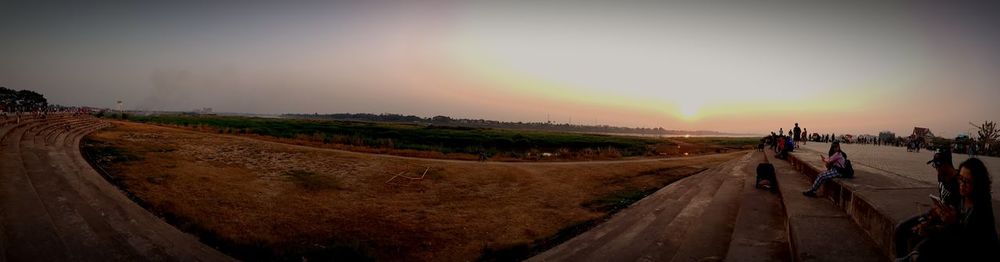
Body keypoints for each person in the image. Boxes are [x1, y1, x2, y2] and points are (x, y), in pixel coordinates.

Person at [894, 149, 962, 259]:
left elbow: (955, 220)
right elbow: (942, 200)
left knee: (917, 248)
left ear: (945, 165)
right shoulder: (941, 176)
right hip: (936, 214)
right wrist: (929, 217)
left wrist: (929, 226)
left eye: (936, 165)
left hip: (946, 222)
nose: (936, 169)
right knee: (900, 229)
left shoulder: (958, 185)